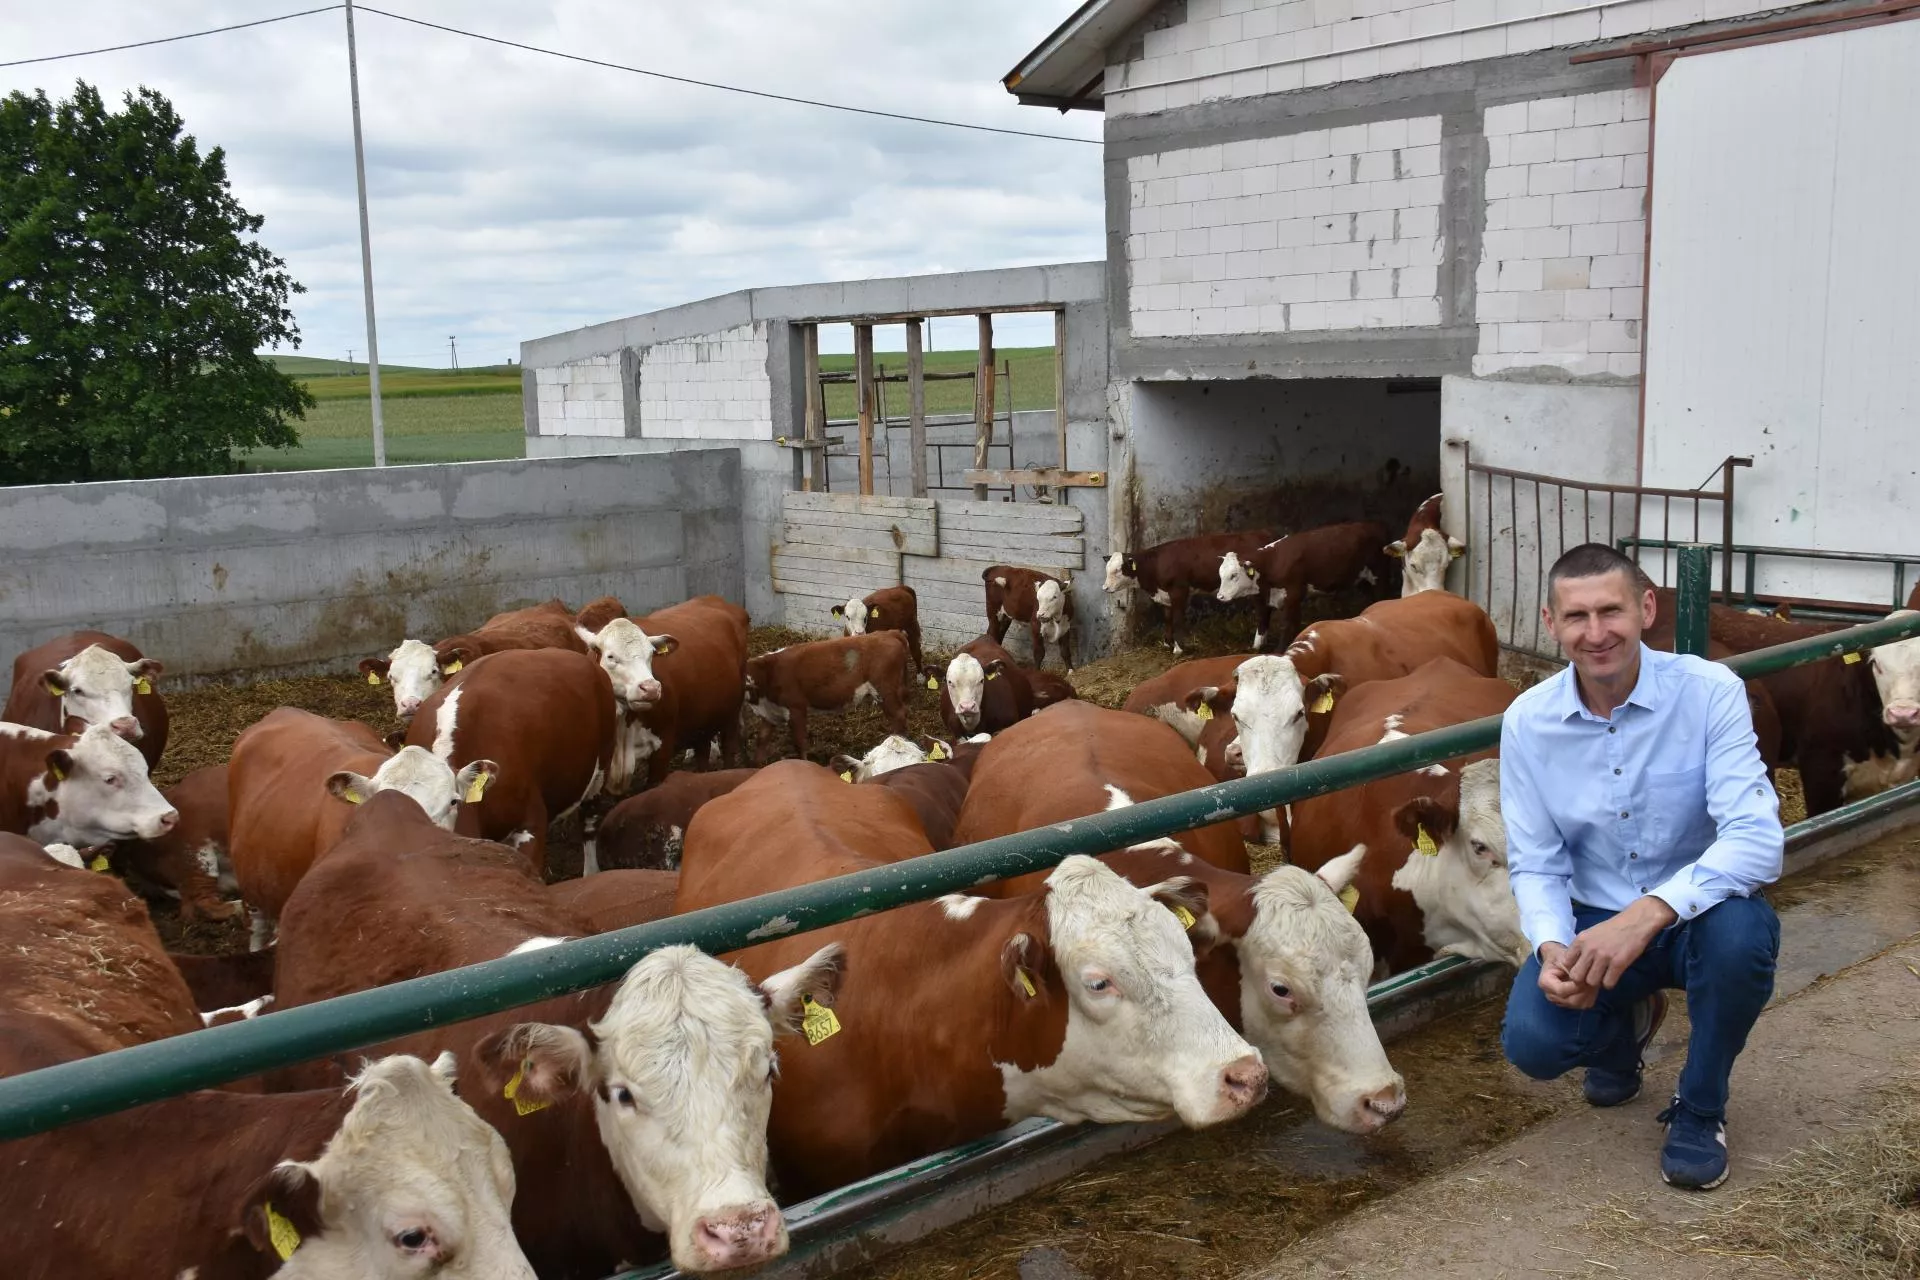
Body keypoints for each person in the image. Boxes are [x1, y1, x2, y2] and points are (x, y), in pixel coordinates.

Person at [1499, 544, 1783, 1190]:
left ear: (1647, 608)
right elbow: (1537, 862)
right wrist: (1551, 947)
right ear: (1550, 622)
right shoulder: (1527, 723)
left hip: (1697, 917)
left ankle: (1700, 1108)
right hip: (1593, 920)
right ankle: (1619, 1037)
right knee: (1534, 1045)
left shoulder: (1710, 692)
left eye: (1611, 611)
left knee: (1743, 941)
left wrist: (1649, 913)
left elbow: (1757, 841)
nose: (1595, 633)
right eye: (1576, 616)